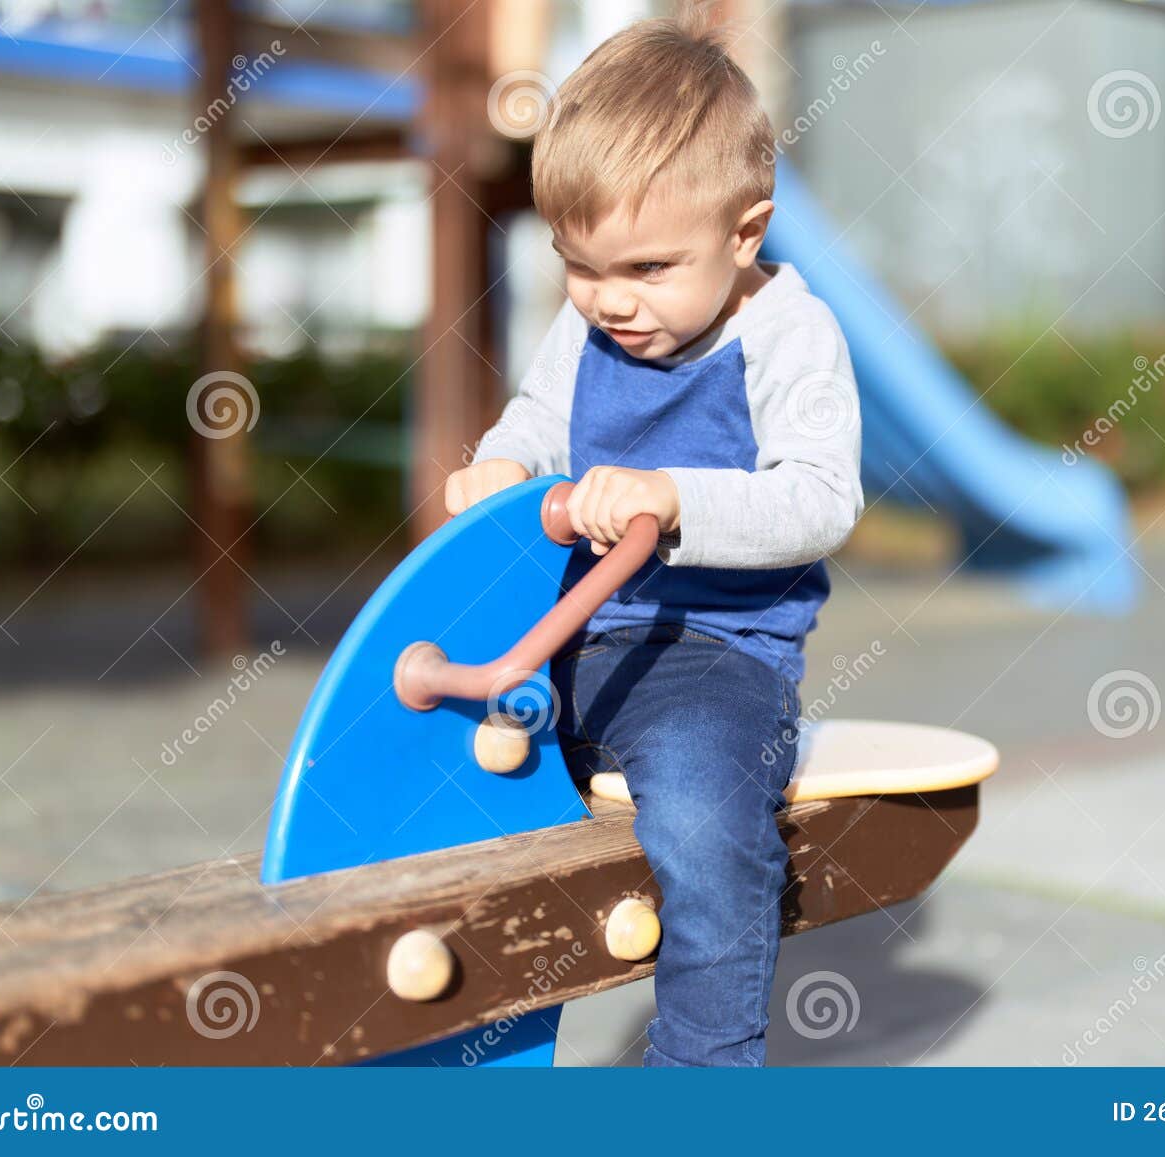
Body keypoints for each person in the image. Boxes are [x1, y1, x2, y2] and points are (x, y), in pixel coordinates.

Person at [443, 2, 862, 1066]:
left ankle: (702, 1072)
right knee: (439, 775)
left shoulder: (786, 335)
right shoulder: (584, 320)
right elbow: (539, 422)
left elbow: (820, 498)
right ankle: (456, 1048)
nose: (608, 302)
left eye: (647, 270)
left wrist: (674, 497)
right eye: (582, 267)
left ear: (743, 232)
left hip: (712, 654)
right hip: (568, 631)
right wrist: (505, 462)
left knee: (705, 826)